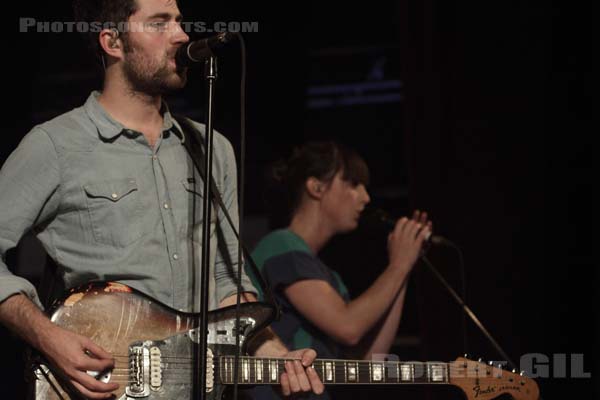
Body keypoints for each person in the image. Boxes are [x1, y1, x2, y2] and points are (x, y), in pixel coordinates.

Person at [0, 0, 323, 398]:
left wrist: (274, 352)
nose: (182, 35)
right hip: (102, 384)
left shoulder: (212, 148)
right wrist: (47, 336)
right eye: (160, 23)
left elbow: (227, 279)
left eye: (180, 21)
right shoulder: (55, 145)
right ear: (113, 43)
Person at [246, 141, 431, 399]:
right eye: (353, 184)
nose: (365, 198)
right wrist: (399, 265)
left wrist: (404, 267)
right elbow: (348, 327)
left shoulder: (328, 276)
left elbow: (370, 360)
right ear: (316, 187)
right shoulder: (281, 246)